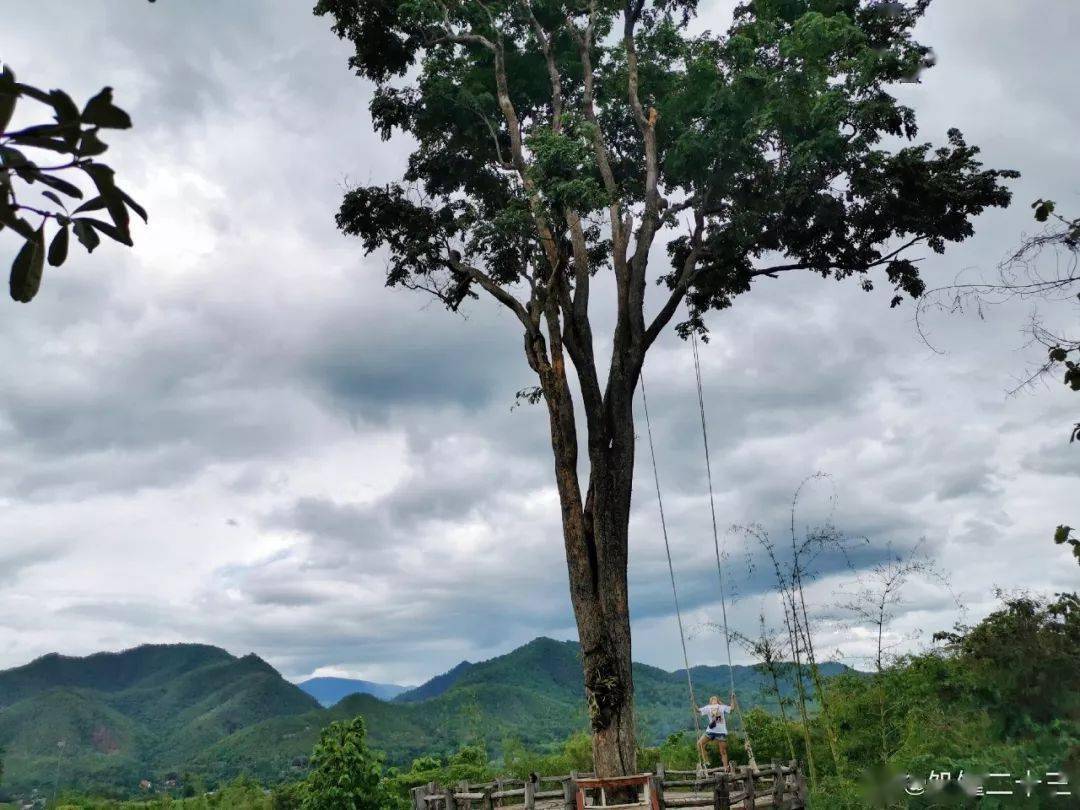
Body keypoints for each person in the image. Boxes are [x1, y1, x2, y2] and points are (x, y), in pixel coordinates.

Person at [697, 693, 736, 770]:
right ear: (710, 702)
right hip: (710, 730)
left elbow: (732, 709)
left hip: (721, 731)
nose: (713, 700)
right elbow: (698, 710)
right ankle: (706, 761)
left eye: (715, 699)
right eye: (712, 699)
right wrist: (693, 702)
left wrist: (732, 699)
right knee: (700, 744)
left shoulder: (721, 707)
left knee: (723, 751)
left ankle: (725, 767)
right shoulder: (708, 707)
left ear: (718, 701)